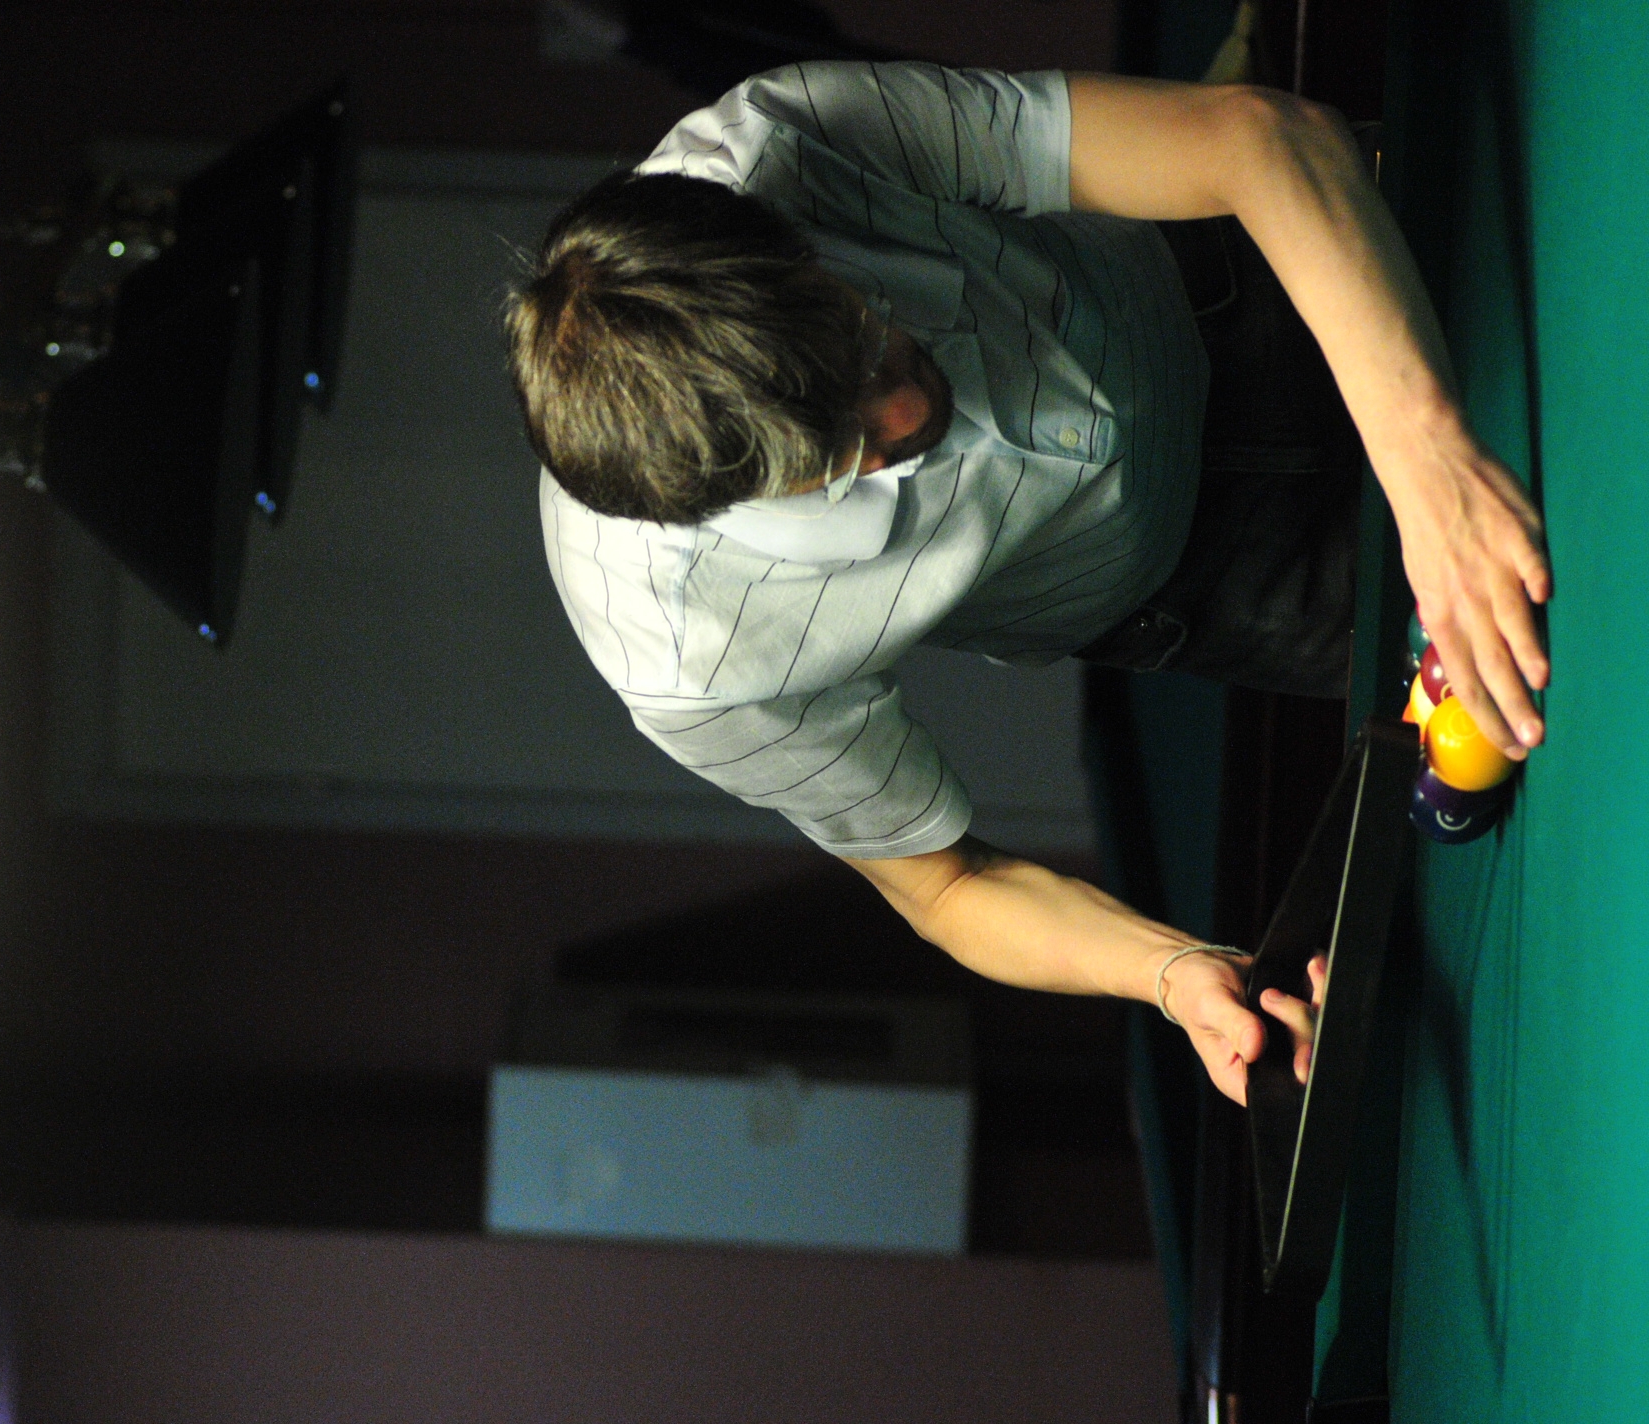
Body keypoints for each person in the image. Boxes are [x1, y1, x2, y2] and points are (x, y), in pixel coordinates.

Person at [504, 63, 1549, 1105]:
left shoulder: (777, 143)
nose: (907, 414)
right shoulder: (689, 656)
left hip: (1253, 276)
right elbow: (948, 886)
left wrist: (1428, 462)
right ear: (724, 506)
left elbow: (1260, 143)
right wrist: (1170, 972)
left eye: (864, 337)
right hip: (1220, 580)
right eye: (840, 456)